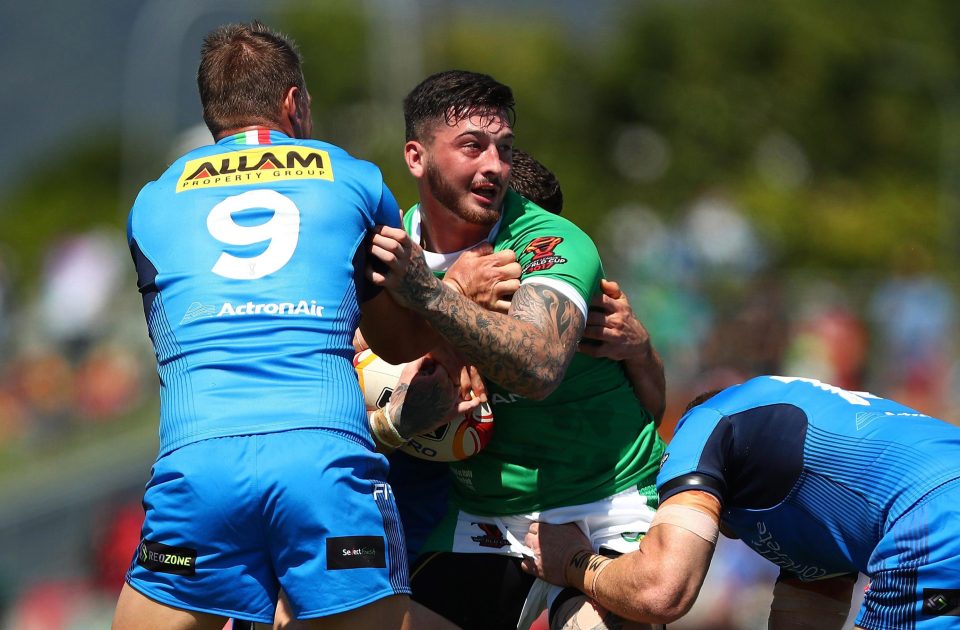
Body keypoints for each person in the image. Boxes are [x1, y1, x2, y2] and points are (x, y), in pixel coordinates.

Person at [115, 22, 459, 629]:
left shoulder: (152, 201)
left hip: (198, 470)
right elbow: (394, 339)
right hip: (322, 464)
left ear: (212, 113)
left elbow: (175, 334)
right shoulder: (354, 179)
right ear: (294, 103)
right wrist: (452, 303)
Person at [368, 69, 666, 630]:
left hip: (601, 504)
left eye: (504, 148)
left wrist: (433, 294)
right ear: (416, 157)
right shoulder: (390, 248)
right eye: (472, 146)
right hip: (480, 514)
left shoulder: (551, 242)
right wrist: (399, 417)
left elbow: (537, 367)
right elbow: (343, 369)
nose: (494, 166)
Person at [521, 375, 960, 629]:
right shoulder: (819, 524)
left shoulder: (707, 422)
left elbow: (663, 589)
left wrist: (573, 562)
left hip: (935, 519)